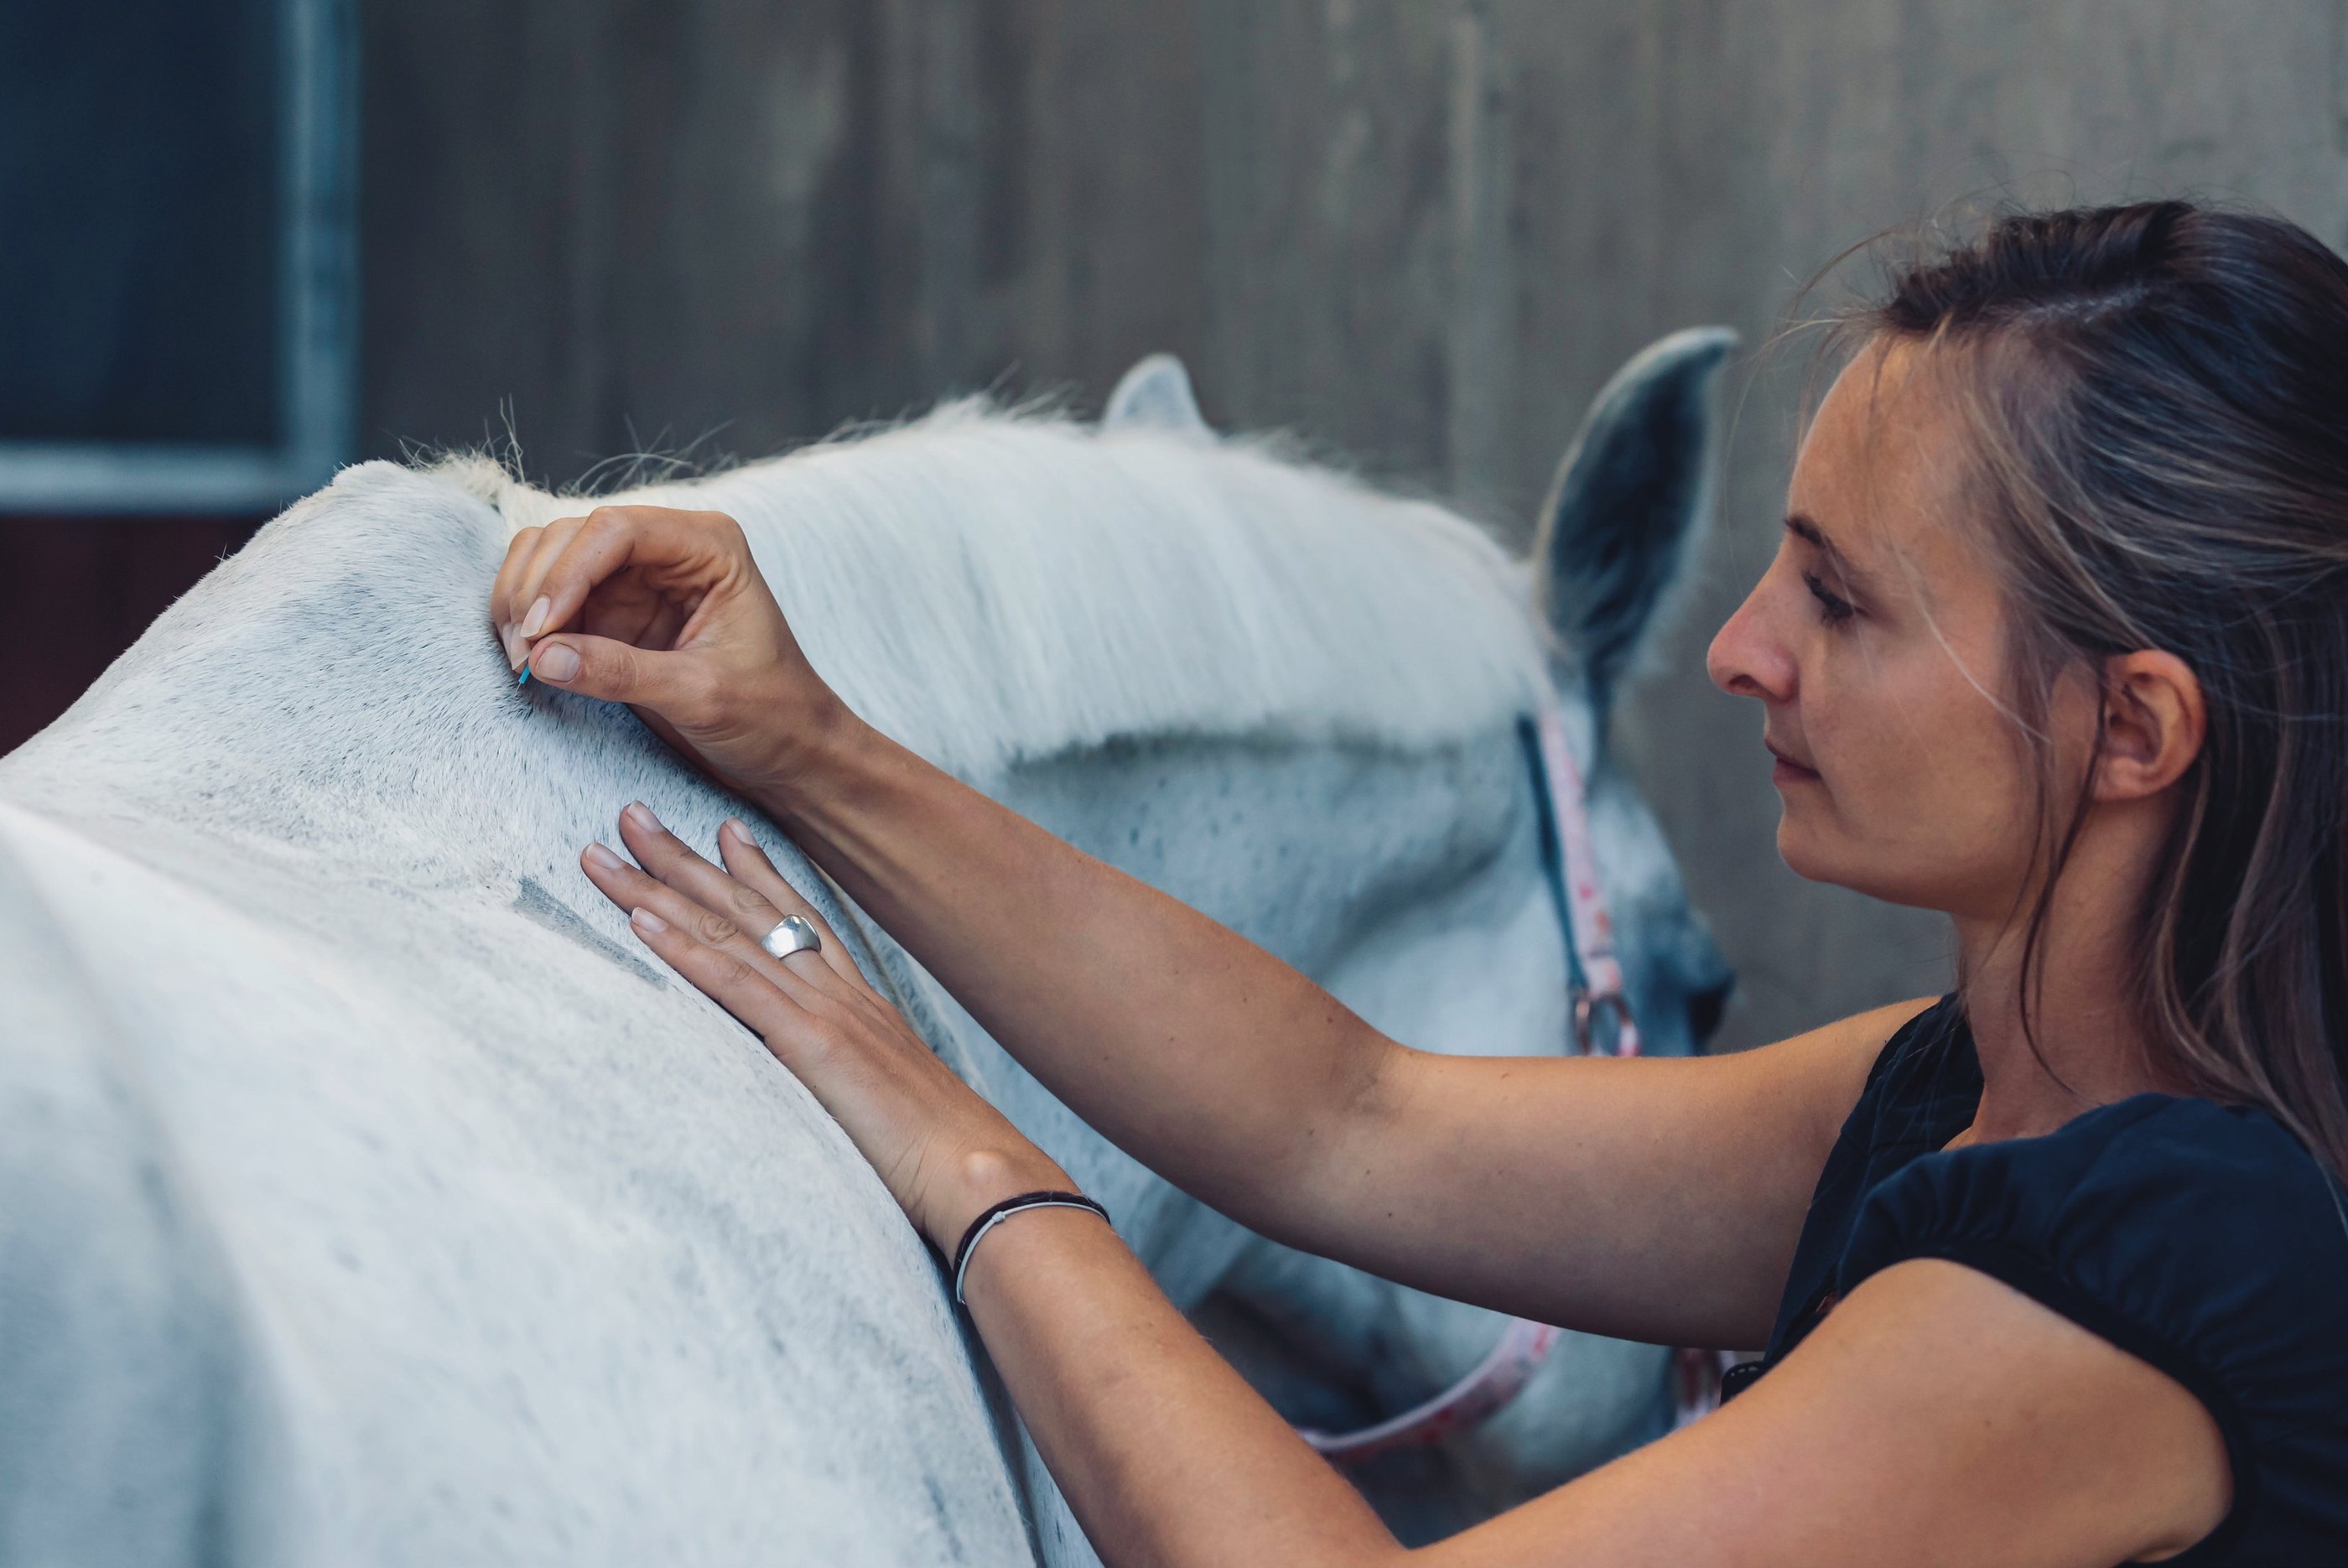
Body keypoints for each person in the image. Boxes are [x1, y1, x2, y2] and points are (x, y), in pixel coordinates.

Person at [490, 201, 2348, 1566]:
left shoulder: (2148, 1278)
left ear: (2132, 729)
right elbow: (1342, 1115)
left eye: (1840, 601)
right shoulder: (1956, 1094)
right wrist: (810, 740)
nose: (1741, 649)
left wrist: (958, 1145)